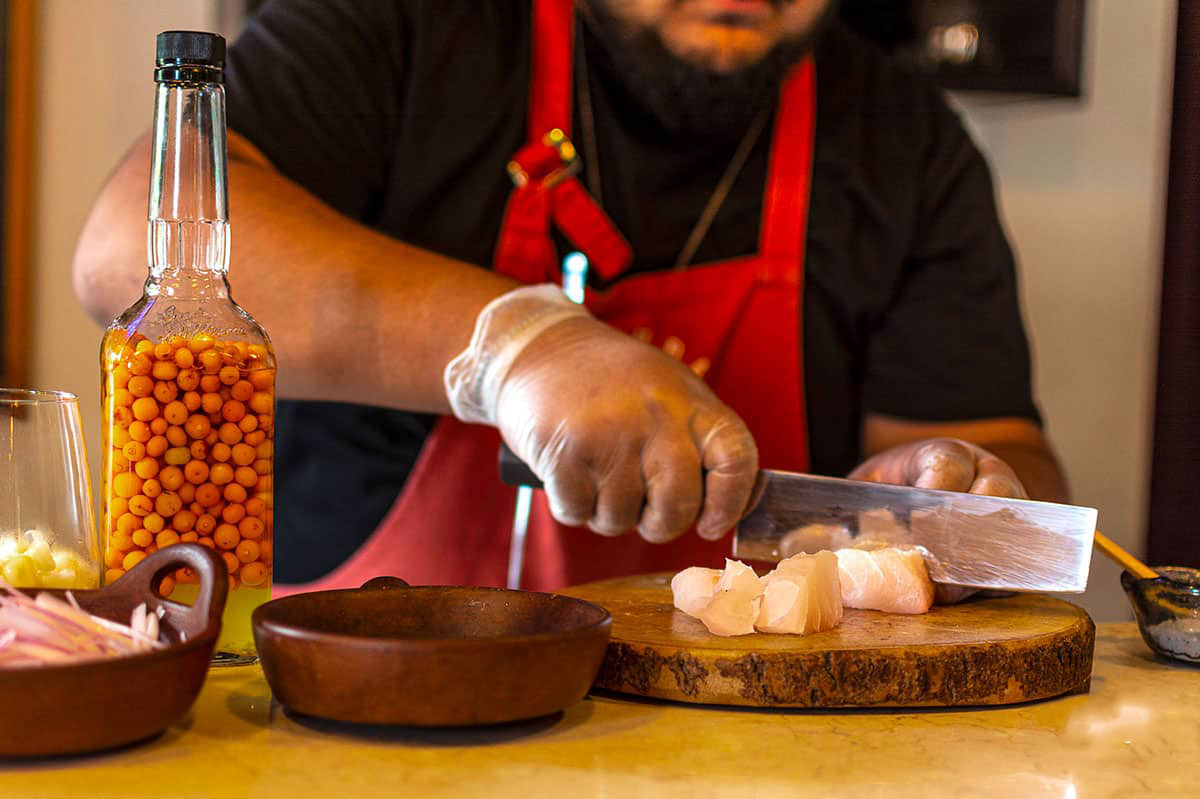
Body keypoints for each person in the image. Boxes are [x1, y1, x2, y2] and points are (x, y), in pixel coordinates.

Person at [74, 0, 1067, 592]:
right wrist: (521, 348)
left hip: (744, 748)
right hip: (350, 713)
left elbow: (998, 461)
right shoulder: (404, 25)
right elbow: (123, 249)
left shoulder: (906, 141)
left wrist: (952, 504)